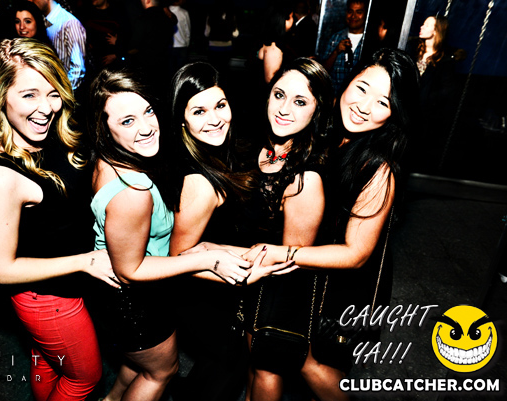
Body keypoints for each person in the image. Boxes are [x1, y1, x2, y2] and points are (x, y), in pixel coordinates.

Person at [243, 48, 420, 401]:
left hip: (340, 285)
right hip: (308, 265)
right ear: (347, 82)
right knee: (275, 352)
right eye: (362, 88)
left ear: (395, 113)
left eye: (382, 102)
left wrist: (283, 252)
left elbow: (356, 254)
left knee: (310, 362)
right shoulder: (328, 131)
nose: (364, 106)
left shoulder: (379, 168)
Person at [88, 68, 261, 401]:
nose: (146, 127)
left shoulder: (109, 160)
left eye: (148, 111)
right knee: (160, 373)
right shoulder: (134, 191)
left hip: (121, 294)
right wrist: (210, 258)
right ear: (105, 128)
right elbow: (131, 269)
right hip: (133, 301)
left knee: (138, 365)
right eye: (128, 121)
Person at [0, 38, 116, 401]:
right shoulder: (2, 177)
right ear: (0, 96)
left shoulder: (48, 136)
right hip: (48, 300)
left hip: (57, 290)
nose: (46, 108)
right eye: (29, 95)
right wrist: (85, 261)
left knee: (48, 362)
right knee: (85, 377)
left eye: (53, 94)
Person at [167, 61, 296, 401]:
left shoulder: (221, 151)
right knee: (226, 371)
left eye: (220, 105)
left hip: (221, 291)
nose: (214, 119)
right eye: (199, 112)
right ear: (181, 119)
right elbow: (176, 257)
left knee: (214, 373)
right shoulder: (200, 182)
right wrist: (226, 260)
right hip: (205, 299)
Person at [239, 57, 333, 401]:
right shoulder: (262, 147)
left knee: (268, 367)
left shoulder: (305, 177)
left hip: (278, 283)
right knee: (256, 363)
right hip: (255, 275)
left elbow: (291, 259)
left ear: (317, 110)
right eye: (279, 95)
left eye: (300, 102)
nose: (284, 109)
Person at [407, 15, 463, 173]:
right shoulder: (412, 49)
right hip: (403, 108)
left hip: (423, 116)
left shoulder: (444, 60)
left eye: (426, 25)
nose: (421, 27)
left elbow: (448, 91)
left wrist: (424, 100)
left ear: (436, 31)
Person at [32, 0, 87, 91]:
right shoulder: (41, 20)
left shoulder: (69, 23)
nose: (30, 1)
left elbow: (78, 69)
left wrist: (61, 93)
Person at [321, 0, 368, 95]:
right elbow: (323, 71)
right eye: (350, 11)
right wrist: (336, 52)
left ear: (366, 15)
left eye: (359, 12)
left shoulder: (369, 41)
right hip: (334, 96)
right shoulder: (336, 38)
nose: (353, 16)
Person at [258, 1, 295, 84]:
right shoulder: (273, 47)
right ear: (282, 20)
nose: (293, 20)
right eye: (291, 17)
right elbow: (270, 79)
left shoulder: (269, 40)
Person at [204, 0, 239, 80]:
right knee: (224, 70)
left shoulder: (211, 15)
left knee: (213, 69)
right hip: (226, 47)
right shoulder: (231, 16)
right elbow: (235, 34)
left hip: (213, 46)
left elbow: (206, 33)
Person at [168, 0, 191, 75]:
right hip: (182, 45)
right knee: (181, 71)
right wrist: (187, 43)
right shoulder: (184, 12)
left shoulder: (165, 12)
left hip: (169, 46)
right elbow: (187, 30)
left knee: (171, 70)